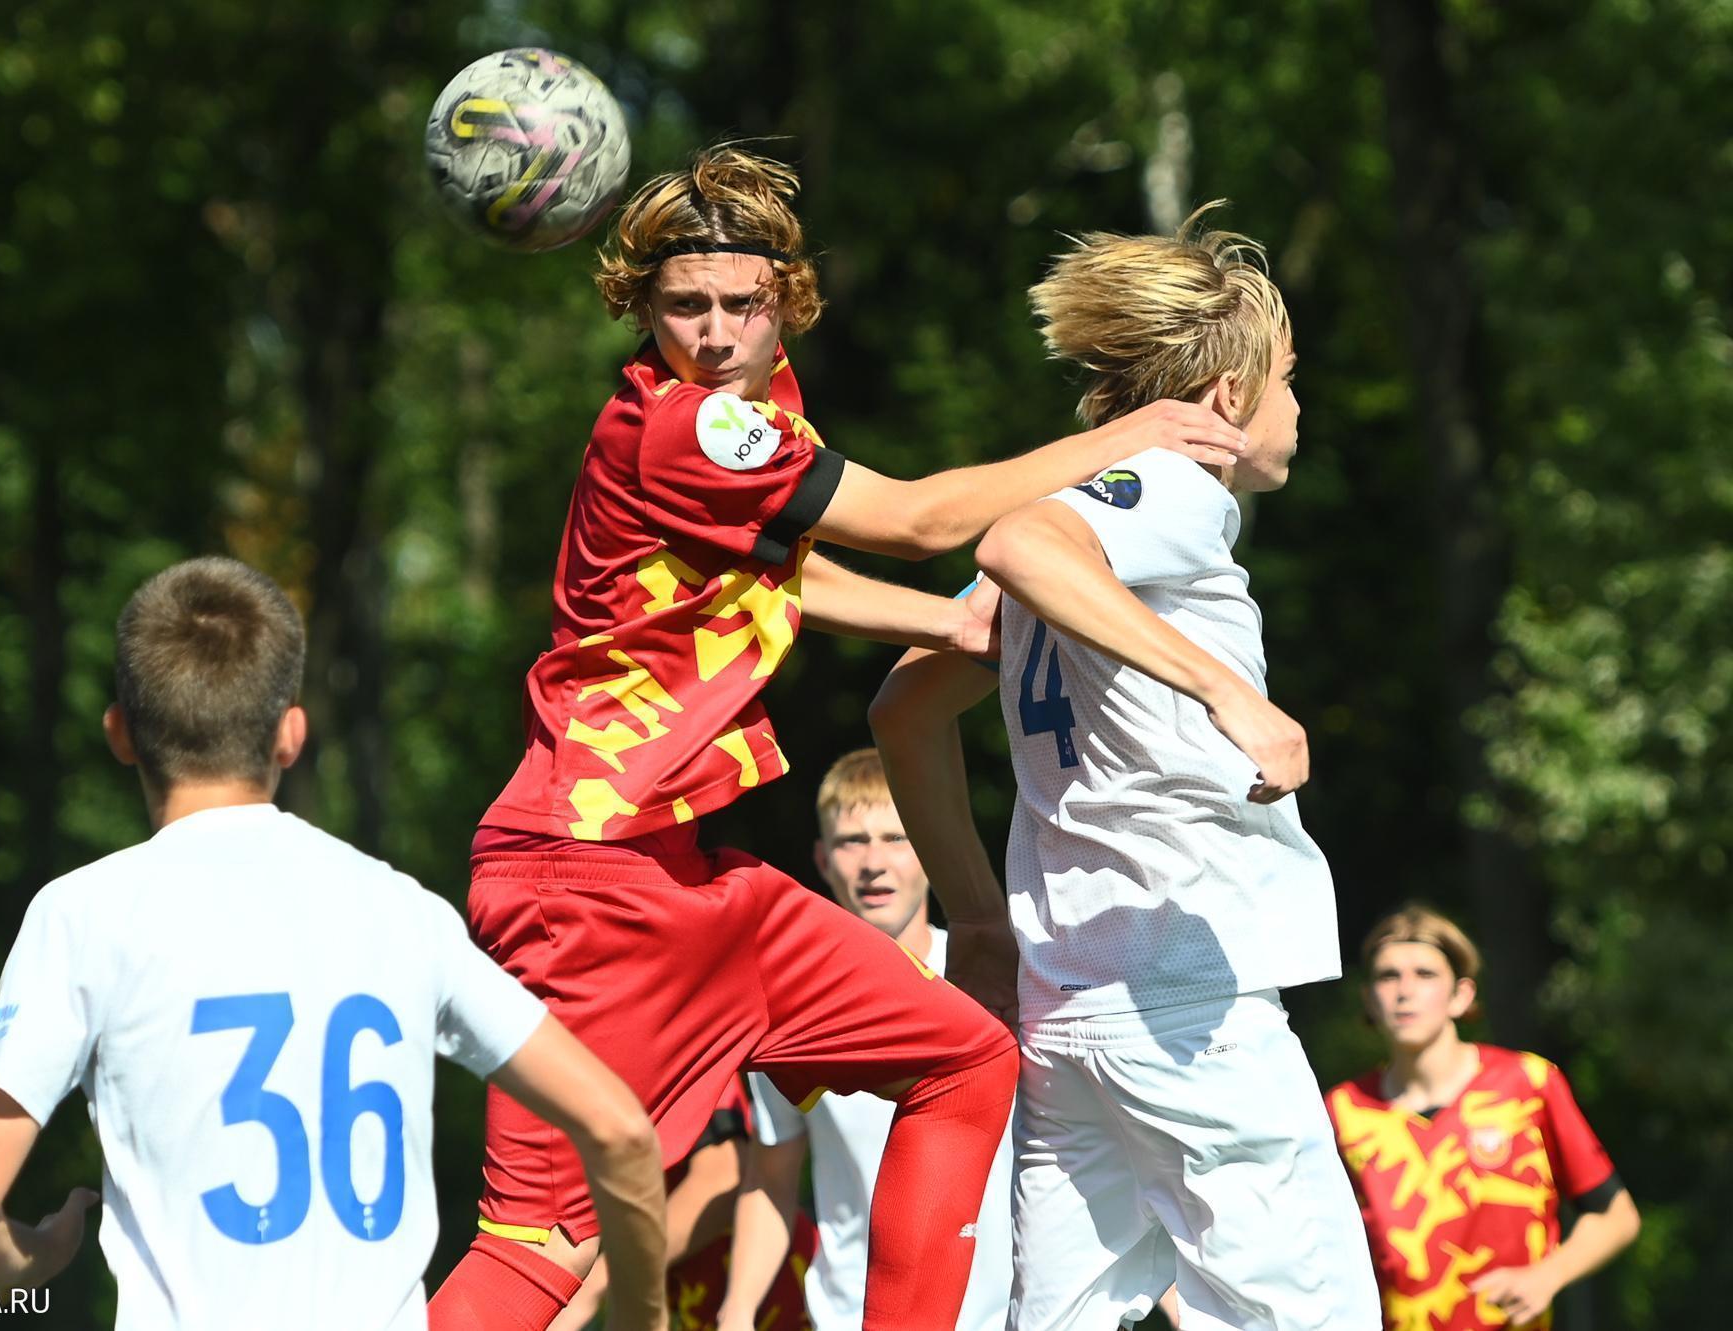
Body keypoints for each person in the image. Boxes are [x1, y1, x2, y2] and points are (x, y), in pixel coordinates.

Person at [428, 145, 1272, 1331]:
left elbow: (777, 574)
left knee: (962, 1057)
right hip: (585, 877)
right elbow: (919, 518)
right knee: (543, 1246)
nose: (713, 332)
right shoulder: (684, 426)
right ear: (637, 306)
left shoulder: (746, 415)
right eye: (682, 306)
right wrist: (1123, 437)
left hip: (687, 880)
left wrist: (946, 624)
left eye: (740, 302)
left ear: (785, 296)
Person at [0, 557, 669, 1331]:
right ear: (290, 734)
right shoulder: (403, 912)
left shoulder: (83, 915)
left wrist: (37, 1254)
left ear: (121, 734)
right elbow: (619, 1129)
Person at [871, 205, 1380, 1330]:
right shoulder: (1170, 486)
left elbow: (903, 709)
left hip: (1068, 1016)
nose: (1300, 407)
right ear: (1231, 396)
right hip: (1186, 1008)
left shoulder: (1083, 531)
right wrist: (1227, 690)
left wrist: (979, 916)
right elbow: (1017, 542)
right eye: (1291, 379)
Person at [720, 748, 1013, 1331]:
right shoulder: (791, 1011)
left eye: (895, 838)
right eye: (852, 842)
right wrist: (736, 1312)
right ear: (822, 859)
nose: (874, 863)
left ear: (931, 850)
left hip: (1009, 1316)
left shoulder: (997, 984)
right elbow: (771, 1179)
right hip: (850, 1316)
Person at [1328, 906, 1640, 1330]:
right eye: (1388, 976)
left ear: (1462, 995)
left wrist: (1547, 1277)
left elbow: (1616, 1216)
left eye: (1425, 974)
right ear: (1369, 999)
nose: (1405, 991)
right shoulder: (1341, 1112)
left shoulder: (1527, 1083)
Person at [549, 1078, 818, 1331]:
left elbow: (722, 1175)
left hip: (773, 1296)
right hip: (680, 1295)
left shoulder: (669, 1050)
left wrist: (597, 1282)